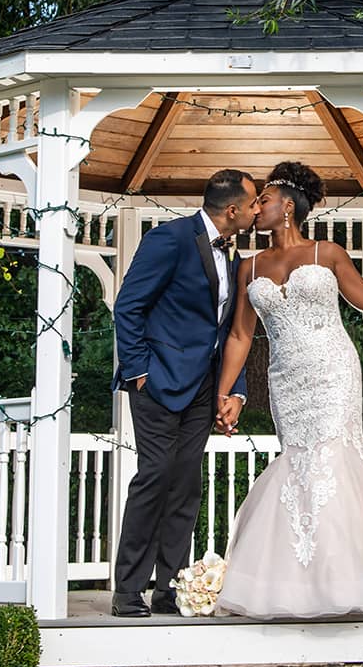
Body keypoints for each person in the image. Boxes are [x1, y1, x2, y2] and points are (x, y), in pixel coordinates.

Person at [211, 160, 363, 619]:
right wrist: (225, 394)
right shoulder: (248, 265)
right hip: (286, 381)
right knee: (298, 466)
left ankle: (352, 580)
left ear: (288, 207)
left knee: (333, 462)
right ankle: (299, 584)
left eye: (265, 200)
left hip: (333, 371)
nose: (256, 208)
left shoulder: (327, 253)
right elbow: (239, 335)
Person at [108, 168, 260, 617]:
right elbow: (128, 306)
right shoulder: (169, 239)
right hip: (157, 381)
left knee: (185, 485)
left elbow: (231, 331)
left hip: (202, 388)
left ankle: (170, 587)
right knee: (153, 477)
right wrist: (138, 372)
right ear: (232, 209)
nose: (255, 211)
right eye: (252, 204)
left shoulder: (233, 258)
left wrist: (234, 390)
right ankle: (127, 590)